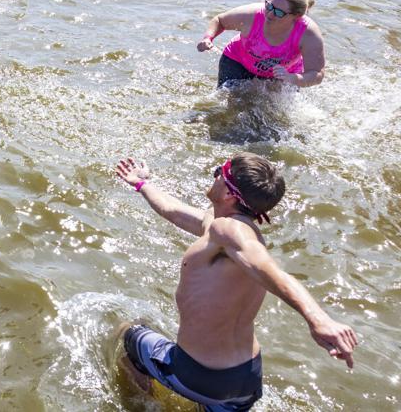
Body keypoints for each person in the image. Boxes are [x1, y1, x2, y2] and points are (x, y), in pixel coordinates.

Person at [113, 154, 358, 411]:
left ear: (229, 194)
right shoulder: (226, 229)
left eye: (220, 171)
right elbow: (173, 211)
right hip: (246, 380)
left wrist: (317, 319)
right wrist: (142, 184)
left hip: (200, 376)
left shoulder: (231, 232)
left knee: (128, 333)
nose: (215, 174)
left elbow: (271, 270)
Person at [197, 0, 326, 89]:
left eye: (278, 12)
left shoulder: (308, 34)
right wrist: (208, 38)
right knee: (231, 105)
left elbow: (317, 74)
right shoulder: (251, 15)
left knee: (274, 116)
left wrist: (292, 78)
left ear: (296, 16)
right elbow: (220, 20)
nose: (269, 14)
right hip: (238, 61)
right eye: (269, 6)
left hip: (284, 73)